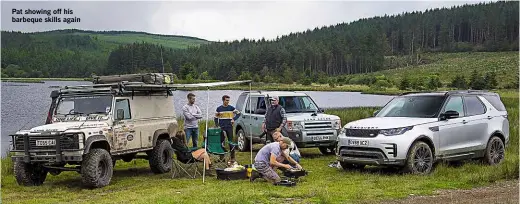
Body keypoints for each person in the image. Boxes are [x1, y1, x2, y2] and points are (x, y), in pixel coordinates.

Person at [214, 95, 240, 160]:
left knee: (231, 142)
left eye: (228, 100)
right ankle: (221, 157)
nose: (228, 102)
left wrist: (234, 119)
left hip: (229, 127)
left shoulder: (231, 108)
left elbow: (239, 113)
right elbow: (215, 118)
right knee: (221, 142)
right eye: (226, 100)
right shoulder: (219, 108)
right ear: (223, 100)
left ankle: (232, 157)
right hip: (221, 127)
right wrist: (217, 125)